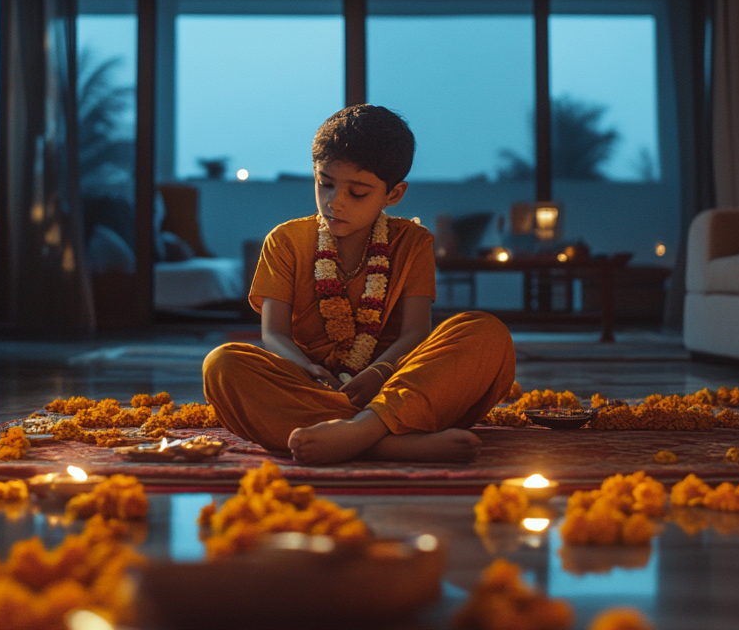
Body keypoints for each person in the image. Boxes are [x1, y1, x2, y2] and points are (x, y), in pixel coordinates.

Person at [203, 105, 517, 466]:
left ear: (394, 194)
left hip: (397, 383)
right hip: (312, 386)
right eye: (326, 183)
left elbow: (415, 333)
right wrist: (308, 369)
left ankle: (360, 430)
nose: (334, 202)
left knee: (485, 333)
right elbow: (274, 335)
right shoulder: (286, 240)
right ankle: (388, 442)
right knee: (222, 364)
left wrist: (379, 373)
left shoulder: (412, 242)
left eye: (357, 192)